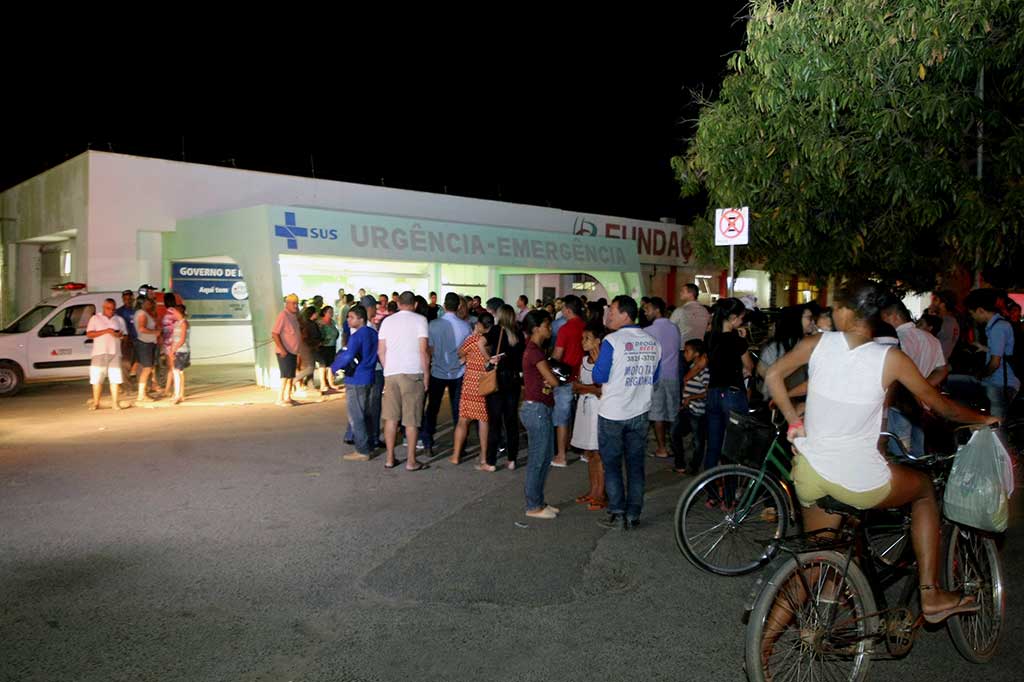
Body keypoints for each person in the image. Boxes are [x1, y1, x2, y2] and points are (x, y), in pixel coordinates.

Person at [764, 280, 995, 626]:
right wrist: (983, 419)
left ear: (849, 313)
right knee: (923, 491)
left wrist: (792, 417)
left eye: (836, 307)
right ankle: (931, 594)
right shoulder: (890, 358)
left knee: (814, 562)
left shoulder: (817, 344)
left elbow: (773, 374)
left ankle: (765, 647)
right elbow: (940, 407)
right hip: (857, 477)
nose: (831, 313)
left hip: (809, 471)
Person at [592, 296, 662, 530]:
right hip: (640, 412)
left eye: (612, 311)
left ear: (625, 314)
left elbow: (598, 377)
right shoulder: (653, 342)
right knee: (635, 466)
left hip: (612, 413)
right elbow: (654, 377)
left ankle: (618, 511)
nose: (608, 315)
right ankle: (634, 513)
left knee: (611, 465)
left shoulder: (612, 341)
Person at [880, 300, 948, 458]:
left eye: (883, 318)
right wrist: (922, 388)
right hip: (923, 404)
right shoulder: (931, 339)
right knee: (919, 452)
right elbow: (942, 370)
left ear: (894, 317)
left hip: (900, 405)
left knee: (900, 452)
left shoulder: (897, 341)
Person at [946, 288, 1019, 418]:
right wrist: (984, 348)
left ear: (981, 310)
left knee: (996, 427)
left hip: (999, 384)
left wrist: (981, 375)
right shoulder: (997, 325)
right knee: (950, 382)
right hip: (996, 382)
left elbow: (995, 363)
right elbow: (1002, 352)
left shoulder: (998, 327)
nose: (972, 317)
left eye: (972, 313)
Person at [378, 291, 430, 470]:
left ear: (398, 303)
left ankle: (390, 459)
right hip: (413, 372)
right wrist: (426, 374)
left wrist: (387, 369)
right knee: (411, 419)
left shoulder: (387, 321)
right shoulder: (420, 320)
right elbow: (423, 350)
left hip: (391, 373)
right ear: (414, 304)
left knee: (391, 418)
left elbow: (381, 351)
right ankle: (411, 461)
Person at [703, 298, 754, 470]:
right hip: (732, 394)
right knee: (732, 449)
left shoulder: (709, 337)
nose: (742, 322)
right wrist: (743, 339)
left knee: (713, 447)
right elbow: (749, 366)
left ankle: (711, 493)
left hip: (712, 393)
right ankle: (730, 495)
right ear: (733, 318)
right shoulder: (736, 339)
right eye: (741, 318)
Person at [521, 310, 561, 520]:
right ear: (536, 328)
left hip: (538, 407)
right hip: (536, 409)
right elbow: (552, 380)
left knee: (544, 456)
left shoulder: (535, 349)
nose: (550, 328)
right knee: (538, 458)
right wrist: (552, 378)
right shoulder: (534, 351)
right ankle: (533, 505)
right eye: (547, 325)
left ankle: (538, 501)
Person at [420, 292, 471, 455]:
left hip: (437, 371)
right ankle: (459, 446)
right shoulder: (465, 326)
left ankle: (427, 441)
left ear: (444, 304)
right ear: (458, 306)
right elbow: (468, 351)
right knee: (458, 410)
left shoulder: (433, 324)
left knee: (432, 408)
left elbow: (429, 349)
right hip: (458, 372)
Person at [331, 305, 380, 461]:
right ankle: (370, 444)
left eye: (351, 317)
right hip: (370, 375)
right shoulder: (373, 333)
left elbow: (349, 355)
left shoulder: (358, 335)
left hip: (356, 378)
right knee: (367, 413)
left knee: (356, 416)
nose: (348, 320)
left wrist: (333, 368)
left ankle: (362, 450)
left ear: (361, 318)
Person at [451, 312, 495, 471]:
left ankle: (456, 455)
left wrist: (467, 358)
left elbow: (460, 353)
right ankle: (484, 457)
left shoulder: (473, 340)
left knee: (463, 420)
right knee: (484, 421)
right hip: (486, 384)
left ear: (479, 325)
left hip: (470, 383)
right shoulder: (492, 341)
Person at [572, 320, 607, 511]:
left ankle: (601, 493)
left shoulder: (604, 361)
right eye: (582, 338)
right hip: (584, 409)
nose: (583, 342)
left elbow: (602, 390)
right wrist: (583, 388)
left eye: (588, 338)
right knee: (589, 452)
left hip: (598, 410)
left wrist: (582, 388)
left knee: (598, 453)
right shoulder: (585, 361)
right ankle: (593, 490)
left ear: (598, 340)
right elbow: (581, 385)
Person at [485, 304, 523, 470]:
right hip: (513, 380)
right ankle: (512, 459)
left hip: (498, 380)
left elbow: (480, 342)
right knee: (511, 420)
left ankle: (491, 462)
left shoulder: (495, 331)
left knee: (495, 422)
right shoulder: (518, 333)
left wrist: (489, 359)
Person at [550, 294, 585, 467]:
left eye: (562, 307)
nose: (560, 310)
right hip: (584, 378)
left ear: (569, 310)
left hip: (565, 378)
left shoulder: (565, 329)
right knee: (582, 415)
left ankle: (561, 456)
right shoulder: (585, 327)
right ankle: (586, 451)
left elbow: (557, 355)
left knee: (562, 417)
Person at [643, 297, 681, 459]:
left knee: (658, 414)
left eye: (647, 309)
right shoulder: (675, 328)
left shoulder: (648, 332)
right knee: (672, 414)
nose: (645, 312)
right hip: (673, 375)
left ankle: (661, 448)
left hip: (656, 377)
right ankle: (676, 446)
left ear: (657, 309)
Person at [673, 339, 709, 474]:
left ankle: (694, 467)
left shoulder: (704, 371)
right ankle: (680, 463)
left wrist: (691, 398)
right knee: (675, 433)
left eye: (687, 351)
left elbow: (707, 392)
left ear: (696, 353)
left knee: (698, 441)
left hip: (698, 411)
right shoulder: (693, 367)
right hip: (687, 409)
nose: (684, 354)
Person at [86, 298, 128, 410]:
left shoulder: (119, 319)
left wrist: (119, 335)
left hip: (115, 352)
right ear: (103, 307)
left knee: (115, 378)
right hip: (99, 352)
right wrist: (106, 331)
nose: (111, 311)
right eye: (109, 308)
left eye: (113, 309)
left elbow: (124, 335)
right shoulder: (95, 318)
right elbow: (89, 334)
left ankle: (115, 403)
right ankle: (96, 403)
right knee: (97, 378)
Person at [670, 284, 711, 381]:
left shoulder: (680, 311)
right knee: (695, 381)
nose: (680, 293)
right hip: (698, 352)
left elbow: (669, 329)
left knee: (680, 380)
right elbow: (707, 329)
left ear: (691, 294)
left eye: (682, 291)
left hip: (682, 351)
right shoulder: (705, 311)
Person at [271, 294, 303, 407]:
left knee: (291, 376)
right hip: (285, 351)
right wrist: (282, 349)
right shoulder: (283, 315)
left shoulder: (294, 316)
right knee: (285, 376)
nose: (295, 306)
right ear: (287, 304)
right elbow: (274, 334)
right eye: (293, 303)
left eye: (297, 303)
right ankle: (280, 398)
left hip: (293, 351)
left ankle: (288, 397)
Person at [133, 296, 162, 403]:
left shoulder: (143, 313)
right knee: (147, 369)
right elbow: (142, 329)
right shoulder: (141, 313)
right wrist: (156, 332)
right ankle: (141, 395)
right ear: (143, 303)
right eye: (148, 303)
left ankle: (143, 393)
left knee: (147, 368)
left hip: (147, 343)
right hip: (145, 344)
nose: (150, 304)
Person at [929, 290, 961, 362]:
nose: (931, 303)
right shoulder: (952, 322)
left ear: (942, 304)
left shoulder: (947, 323)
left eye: (935, 300)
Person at [167, 305, 190, 404]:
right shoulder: (176, 323)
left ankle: (179, 394)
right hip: (175, 350)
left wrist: (174, 350)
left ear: (179, 313)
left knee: (179, 372)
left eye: (175, 312)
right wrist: (171, 350)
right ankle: (177, 394)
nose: (173, 314)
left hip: (182, 350)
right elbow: (174, 338)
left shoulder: (184, 323)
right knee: (175, 371)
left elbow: (182, 339)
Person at [317, 306, 341, 393]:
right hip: (323, 346)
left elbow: (336, 332)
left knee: (331, 365)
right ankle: (323, 384)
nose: (331, 313)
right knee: (323, 365)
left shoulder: (333, 322)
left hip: (332, 345)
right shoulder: (320, 322)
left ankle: (331, 382)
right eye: (329, 312)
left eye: (332, 311)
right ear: (324, 312)